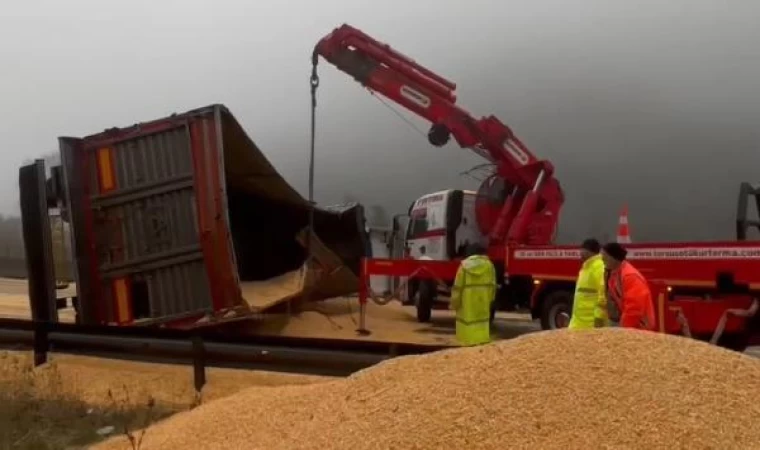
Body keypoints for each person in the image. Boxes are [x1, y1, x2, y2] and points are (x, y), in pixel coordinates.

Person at [601, 242, 656, 331]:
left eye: (604, 256)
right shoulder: (614, 274)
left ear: (613, 257)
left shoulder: (630, 276)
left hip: (640, 327)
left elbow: (634, 308)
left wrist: (624, 330)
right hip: (633, 326)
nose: (602, 259)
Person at [449, 244, 496, 346]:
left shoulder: (464, 266)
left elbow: (457, 287)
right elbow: (492, 285)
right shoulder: (489, 266)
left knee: (467, 330)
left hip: (467, 303)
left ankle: (468, 347)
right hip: (482, 301)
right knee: (481, 325)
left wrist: (454, 303)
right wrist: (489, 300)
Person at [568, 238, 608, 330]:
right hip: (580, 323)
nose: (579, 253)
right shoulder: (587, 267)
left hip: (591, 324)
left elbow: (603, 294)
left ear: (587, 251)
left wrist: (599, 318)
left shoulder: (599, 267)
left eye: (581, 250)